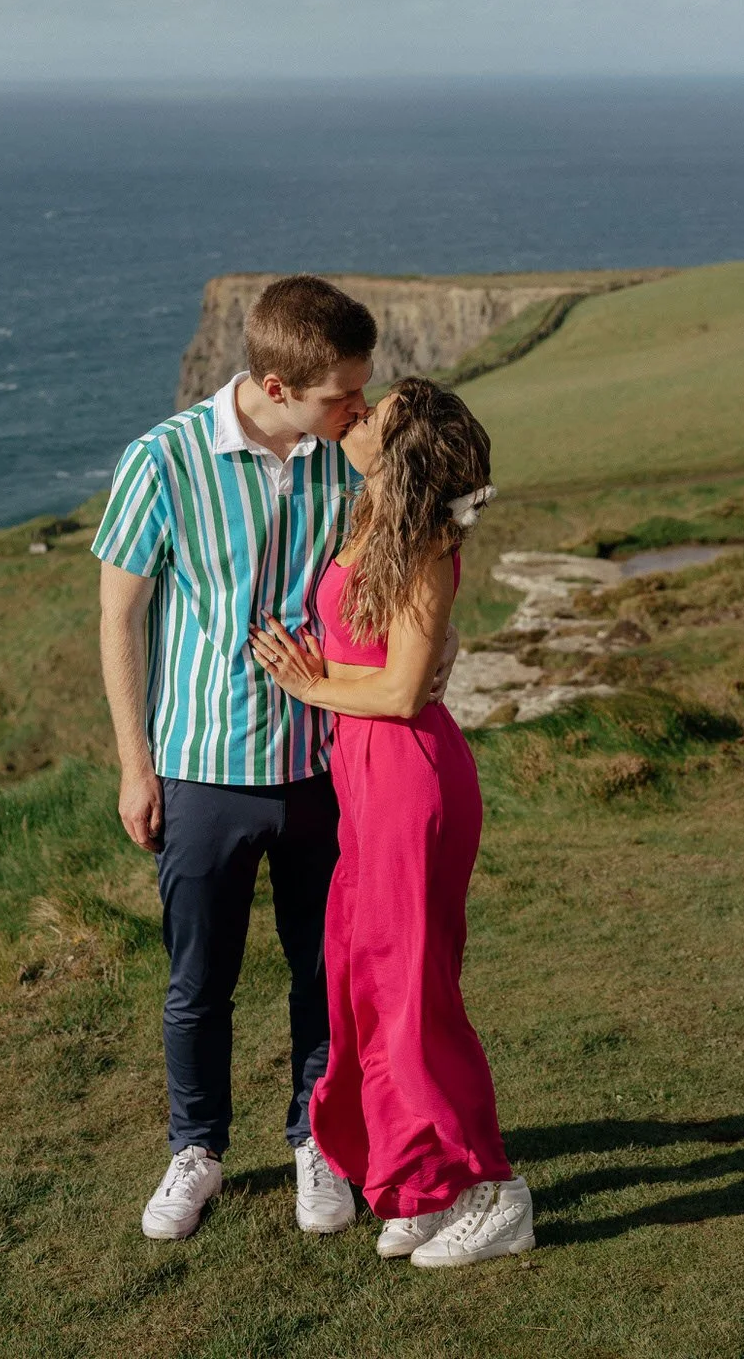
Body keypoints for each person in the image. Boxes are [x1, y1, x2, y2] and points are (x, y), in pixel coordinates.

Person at [93, 277, 459, 1242]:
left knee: (324, 975)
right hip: (201, 770)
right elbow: (118, 620)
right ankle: (196, 1149)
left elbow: (418, 558)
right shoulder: (162, 462)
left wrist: (436, 650)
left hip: (327, 770)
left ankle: (318, 1142)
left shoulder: (351, 460)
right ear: (273, 382)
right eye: (344, 392)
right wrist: (137, 767)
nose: (358, 408)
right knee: (196, 978)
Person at [250, 376, 534, 1269]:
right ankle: (418, 1184)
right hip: (367, 782)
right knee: (367, 990)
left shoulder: (421, 544)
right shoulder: (372, 516)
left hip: (411, 781)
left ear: (405, 446)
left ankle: (495, 1192)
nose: (363, 413)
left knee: (415, 996)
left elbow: (406, 691)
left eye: (384, 411)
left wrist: (313, 686)